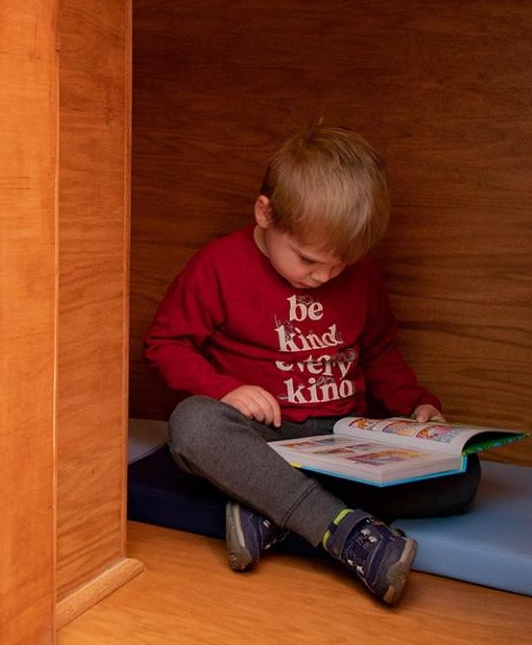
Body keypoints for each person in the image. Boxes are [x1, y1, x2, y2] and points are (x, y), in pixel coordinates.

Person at [144, 125, 480, 605]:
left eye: (339, 265)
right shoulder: (218, 265)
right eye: (307, 260)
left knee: (463, 475)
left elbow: (381, 351)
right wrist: (224, 389)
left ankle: (268, 505)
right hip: (263, 437)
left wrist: (418, 406)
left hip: (343, 439)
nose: (323, 276)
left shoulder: (360, 277)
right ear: (265, 213)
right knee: (192, 425)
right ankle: (345, 534)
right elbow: (165, 343)